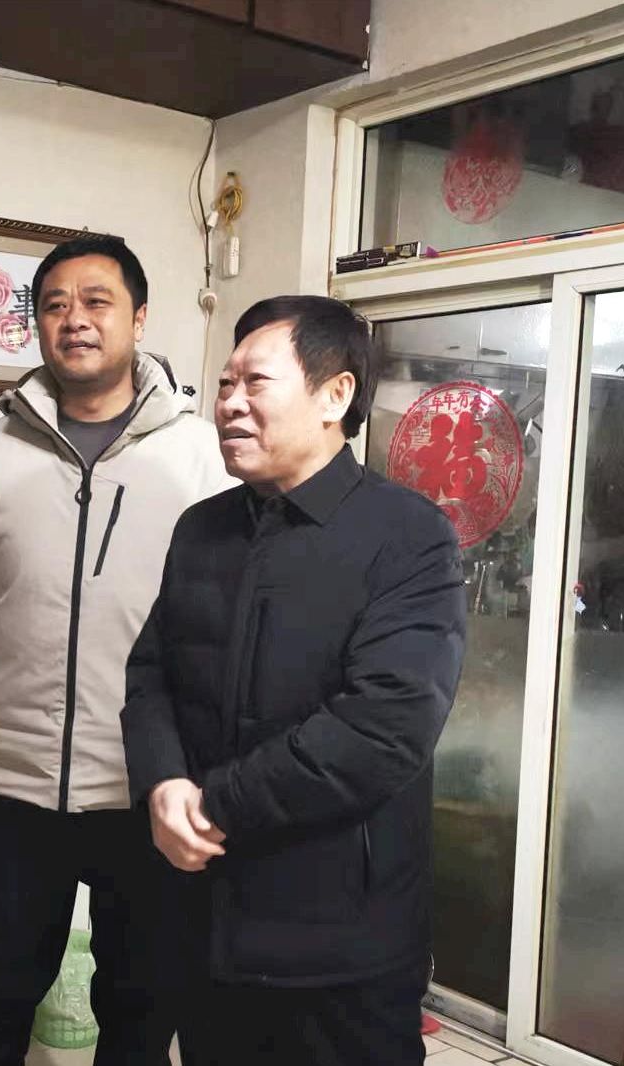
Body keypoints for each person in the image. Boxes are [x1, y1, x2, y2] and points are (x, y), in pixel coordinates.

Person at [0, 235, 229, 1065]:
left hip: (150, 785)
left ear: (139, 319)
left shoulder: (201, 456)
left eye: (95, 302)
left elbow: (231, 620)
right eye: (54, 305)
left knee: (142, 1003)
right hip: (16, 786)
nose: (73, 320)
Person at [123, 295, 467, 1065]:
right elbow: (151, 674)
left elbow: (385, 724)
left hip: (342, 944)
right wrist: (162, 782)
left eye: (255, 382)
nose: (228, 404)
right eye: (224, 383)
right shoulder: (202, 530)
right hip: (208, 922)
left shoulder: (408, 536)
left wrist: (212, 801)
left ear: (335, 395)